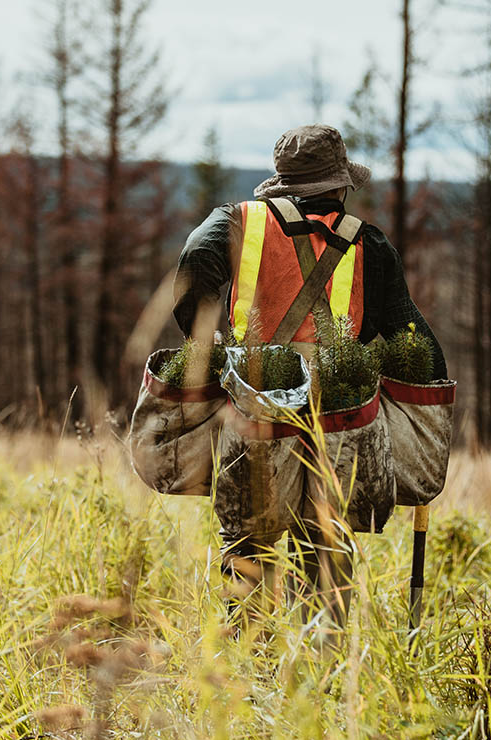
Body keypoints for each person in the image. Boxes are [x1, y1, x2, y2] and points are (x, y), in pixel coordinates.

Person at [172, 123, 447, 634]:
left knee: (248, 541)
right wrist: (430, 417)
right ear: (339, 187)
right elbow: (414, 336)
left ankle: (245, 669)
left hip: (255, 411)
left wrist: (209, 343)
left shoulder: (235, 221)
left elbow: (194, 267)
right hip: (340, 420)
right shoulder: (370, 245)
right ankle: (321, 675)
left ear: (281, 184)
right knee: (326, 544)